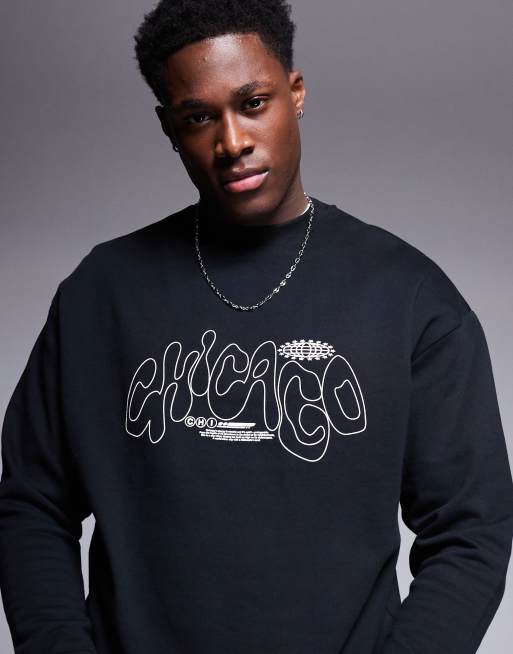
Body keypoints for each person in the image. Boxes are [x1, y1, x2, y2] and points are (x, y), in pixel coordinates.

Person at [1, 1, 512, 653]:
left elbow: (470, 530)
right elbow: (31, 504)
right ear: (169, 128)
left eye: (252, 103)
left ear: (294, 94)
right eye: (199, 117)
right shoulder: (102, 294)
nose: (232, 142)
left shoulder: (408, 297)